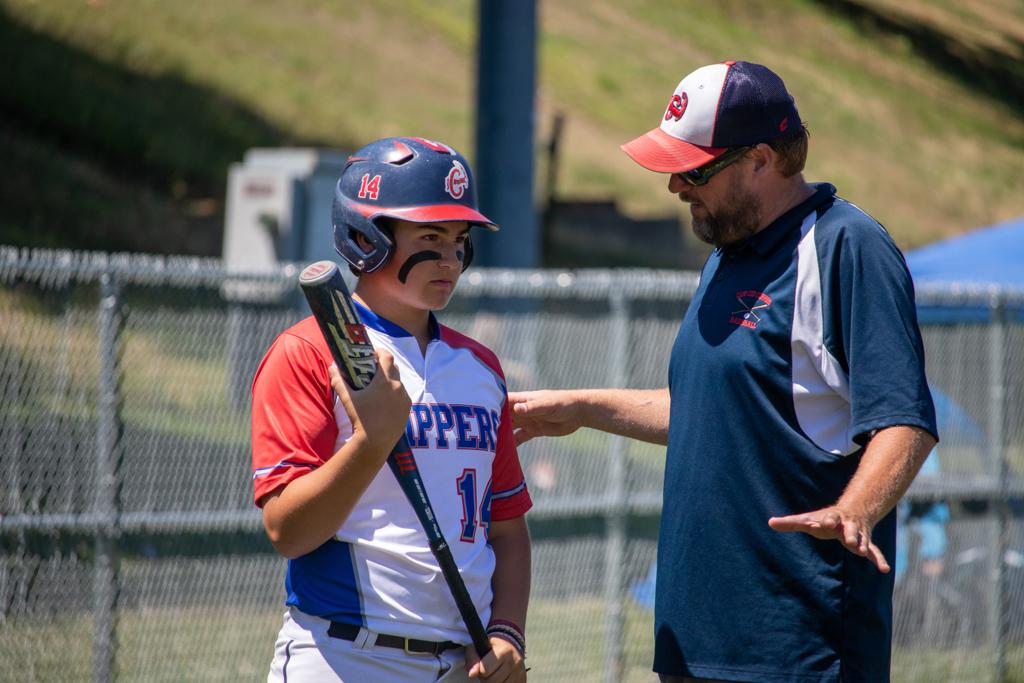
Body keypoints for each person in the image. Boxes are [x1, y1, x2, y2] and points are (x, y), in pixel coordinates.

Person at [510, 61, 938, 683]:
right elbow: (716, 409)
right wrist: (583, 407)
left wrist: (856, 509)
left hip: (797, 648)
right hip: (694, 639)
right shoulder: (727, 254)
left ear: (761, 159)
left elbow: (904, 419)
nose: (675, 187)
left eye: (694, 170)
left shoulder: (846, 245)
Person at [251, 137, 532, 683]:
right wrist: (370, 442)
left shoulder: (481, 367)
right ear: (366, 238)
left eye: (459, 240)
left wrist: (507, 633)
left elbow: (507, 529)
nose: (450, 259)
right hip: (344, 656)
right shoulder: (307, 352)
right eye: (430, 237)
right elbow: (288, 531)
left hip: (464, 663)